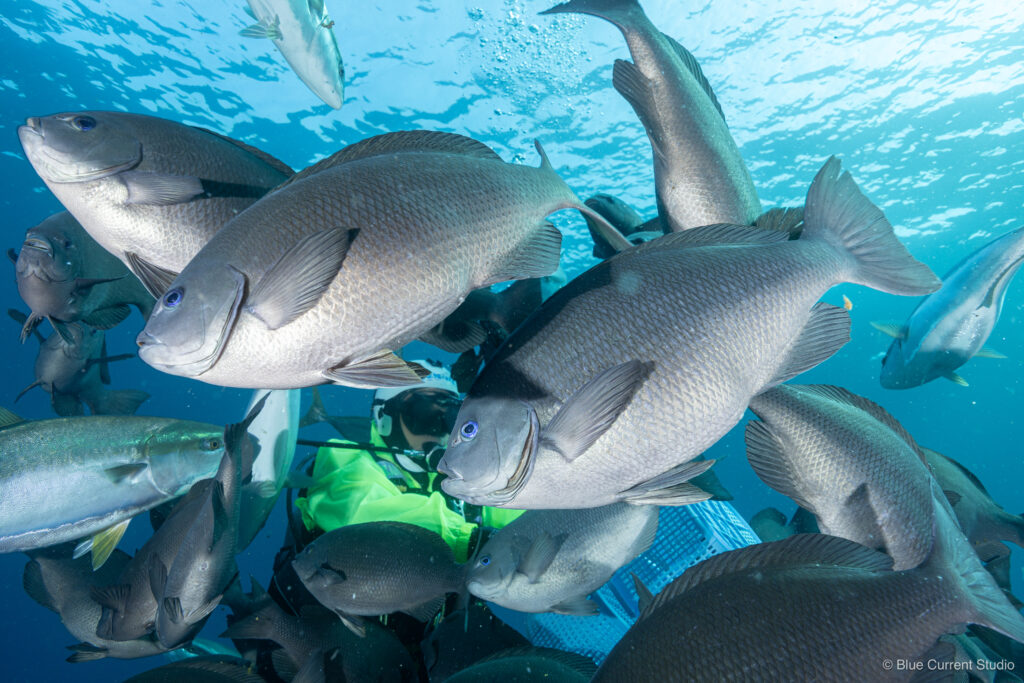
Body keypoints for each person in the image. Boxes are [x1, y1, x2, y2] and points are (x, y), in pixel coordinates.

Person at [293, 359, 522, 562]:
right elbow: (361, 512)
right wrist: (469, 541)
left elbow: (525, 513)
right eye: (423, 413)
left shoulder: (465, 478)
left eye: (452, 417)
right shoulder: (342, 459)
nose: (439, 430)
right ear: (385, 418)